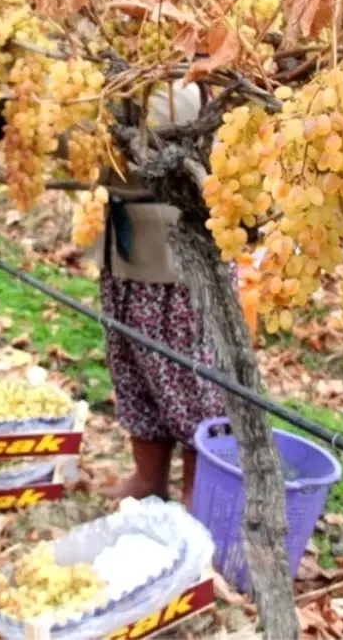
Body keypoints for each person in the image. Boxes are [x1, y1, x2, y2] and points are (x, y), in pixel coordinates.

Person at [95, 82, 226, 506]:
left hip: (181, 265)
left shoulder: (190, 84)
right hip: (127, 248)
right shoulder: (118, 67)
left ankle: (194, 495)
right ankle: (148, 479)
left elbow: (151, 135)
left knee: (193, 386)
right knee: (133, 371)